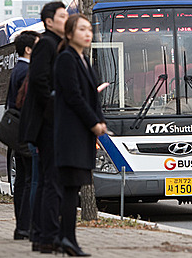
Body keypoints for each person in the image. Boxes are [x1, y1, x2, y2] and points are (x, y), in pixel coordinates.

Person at [54, 14, 106, 257]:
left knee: (72, 188)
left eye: (89, 29)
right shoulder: (66, 59)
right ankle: (66, 238)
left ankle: (67, 238)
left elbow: (91, 95)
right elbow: (74, 97)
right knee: (70, 188)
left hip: (81, 134)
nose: (88, 33)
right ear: (69, 33)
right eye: (82, 29)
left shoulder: (83, 58)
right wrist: (94, 123)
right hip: (71, 134)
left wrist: (100, 120)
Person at [19, 1, 68, 253]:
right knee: (51, 181)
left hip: (49, 122)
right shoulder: (47, 44)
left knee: (48, 180)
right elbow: (40, 82)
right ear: (49, 21)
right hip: (47, 124)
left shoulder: (56, 44)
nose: (66, 18)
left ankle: (41, 235)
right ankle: (46, 235)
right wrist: (57, 108)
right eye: (62, 16)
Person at [6, 31, 40, 240]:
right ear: (28, 49)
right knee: (29, 180)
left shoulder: (17, 69)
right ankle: (26, 226)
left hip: (18, 132)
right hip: (27, 132)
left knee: (21, 181)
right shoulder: (26, 71)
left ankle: (21, 226)